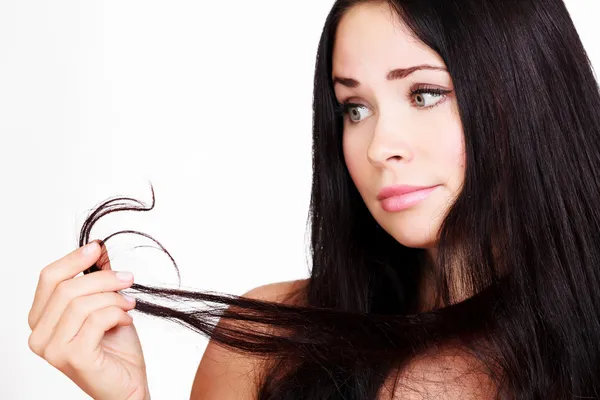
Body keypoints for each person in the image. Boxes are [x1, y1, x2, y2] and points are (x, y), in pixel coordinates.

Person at [28, 0, 600, 398]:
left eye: (424, 93)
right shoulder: (268, 350)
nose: (380, 146)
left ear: (529, 93)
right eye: (355, 108)